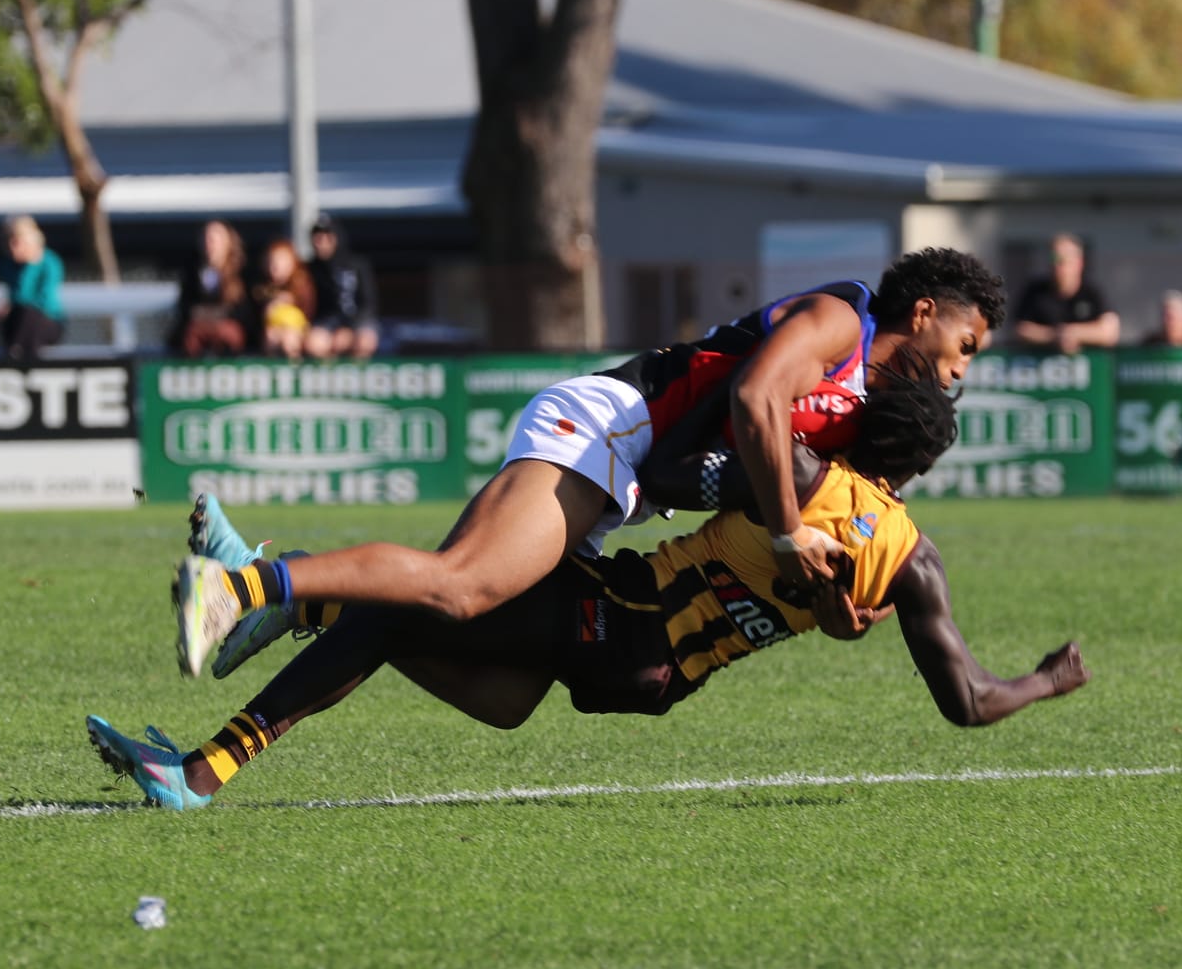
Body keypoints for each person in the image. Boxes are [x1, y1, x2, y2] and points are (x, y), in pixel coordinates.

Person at [88, 373, 1091, 809]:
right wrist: (1048, 679)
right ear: (918, 467)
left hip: (623, 612)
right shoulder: (913, 559)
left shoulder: (796, 476)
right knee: (445, 653)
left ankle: (210, 747)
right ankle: (283, 610)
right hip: (656, 677)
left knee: (426, 593)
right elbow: (969, 701)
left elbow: (664, 474)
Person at [165, 247, 1007, 682]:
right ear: (923, 312)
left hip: (631, 473)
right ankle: (239, 588)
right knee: (462, 586)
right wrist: (790, 537)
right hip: (616, 423)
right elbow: (755, 400)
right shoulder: (843, 322)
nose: (960, 368)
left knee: (502, 689)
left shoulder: (861, 409)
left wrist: (830, 603)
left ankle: (283, 594)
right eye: (965, 343)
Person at [1010, 234, 1118, 355]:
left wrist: (1074, 333)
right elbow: (1020, 329)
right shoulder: (1035, 292)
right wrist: (1054, 336)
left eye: (1063, 260)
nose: (1057, 265)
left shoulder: (1092, 293)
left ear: (1079, 263)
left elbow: (1110, 331)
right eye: (1053, 259)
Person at [168, 219, 254, 357]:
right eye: (206, 238)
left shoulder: (243, 274)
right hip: (198, 331)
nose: (210, 243)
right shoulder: (191, 274)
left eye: (215, 239)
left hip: (232, 334)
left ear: (228, 242)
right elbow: (186, 308)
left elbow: (244, 312)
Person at [304, 213, 379, 360]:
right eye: (317, 238)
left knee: (364, 341)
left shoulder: (356, 264)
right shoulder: (310, 269)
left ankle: (359, 373)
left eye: (327, 237)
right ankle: (327, 373)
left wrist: (348, 329)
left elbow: (368, 303)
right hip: (326, 324)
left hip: (357, 322)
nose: (322, 242)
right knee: (314, 344)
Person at [0, 215, 65, 359]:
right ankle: (16, 354)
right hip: (18, 321)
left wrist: (31, 265)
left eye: (16, 242)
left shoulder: (49, 262)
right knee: (17, 317)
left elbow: (43, 300)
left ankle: (17, 356)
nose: (12, 247)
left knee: (28, 315)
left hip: (46, 320)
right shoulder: (7, 264)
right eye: (9, 242)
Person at [255, 238, 315, 360]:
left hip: (297, 331)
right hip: (272, 331)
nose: (276, 266)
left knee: (289, 339)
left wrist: (292, 301)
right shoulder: (261, 289)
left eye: (281, 260)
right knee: (271, 337)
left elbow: (309, 311)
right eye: (272, 261)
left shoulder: (301, 285)